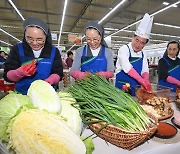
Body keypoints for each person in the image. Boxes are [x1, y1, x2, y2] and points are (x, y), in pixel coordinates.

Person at [3, 17, 63, 95]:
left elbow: (58, 72)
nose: (34, 43)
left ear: (46, 37)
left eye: (39, 39)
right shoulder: (17, 49)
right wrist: (19, 72)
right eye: (29, 38)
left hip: (47, 95)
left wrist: (51, 80)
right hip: (22, 95)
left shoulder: (53, 51)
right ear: (25, 36)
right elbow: (7, 75)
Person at [115, 13, 153, 95]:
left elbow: (144, 69)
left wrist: (146, 80)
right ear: (133, 37)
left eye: (142, 43)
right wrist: (141, 80)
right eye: (137, 40)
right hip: (122, 86)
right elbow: (127, 67)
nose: (138, 44)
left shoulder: (143, 53)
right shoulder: (124, 49)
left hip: (136, 87)